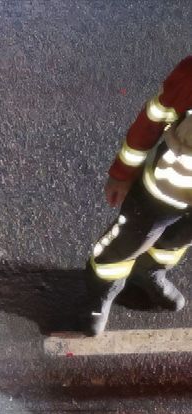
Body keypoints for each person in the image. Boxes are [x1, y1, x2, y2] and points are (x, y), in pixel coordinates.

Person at [82, 56, 192, 335]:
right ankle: (101, 292)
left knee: (175, 241)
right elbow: (153, 119)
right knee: (126, 243)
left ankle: (149, 272)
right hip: (164, 190)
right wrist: (122, 172)